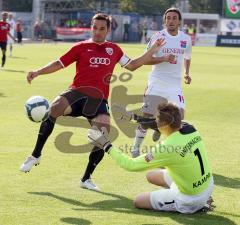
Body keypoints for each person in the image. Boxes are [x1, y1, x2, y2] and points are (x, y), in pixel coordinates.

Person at [19, 13, 165, 191]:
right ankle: (35, 155)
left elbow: (133, 65)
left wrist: (153, 50)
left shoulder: (114, 49)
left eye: (102, 28)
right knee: (55, 107)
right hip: (76, 94)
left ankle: (86, 179)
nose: (97, 32)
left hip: (98, 100)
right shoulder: (81, 47)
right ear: (91, 27)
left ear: (108, 30)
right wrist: (38, 72)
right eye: (94, 28)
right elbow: (59, 63)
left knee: (104, 133)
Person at [88, 102, 214, 214]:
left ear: (163, 124)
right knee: (151, 175)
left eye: (158, 121)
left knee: (138, 201)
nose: (155, 123)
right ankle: (197, 194)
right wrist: (133, 117)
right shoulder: (189, 127)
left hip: (191, 199)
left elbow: (130, 165)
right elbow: (156, 122)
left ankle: (199, 205)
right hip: (207, 184)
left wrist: (106, 145)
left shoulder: (165, 148)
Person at [131, 7, 192, 158]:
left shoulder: (186, 39)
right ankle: (135, 147)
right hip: (157, 82)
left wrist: (187, 73)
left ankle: (166, 151)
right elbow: (145, 59)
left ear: (179, 22)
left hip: (174, 85)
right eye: (168, 18)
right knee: (146, 117)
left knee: (180, 116)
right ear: (164, 21)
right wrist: (163, 58)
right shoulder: (158, 37)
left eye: (174, 18)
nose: (171, 21)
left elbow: (187, 56)